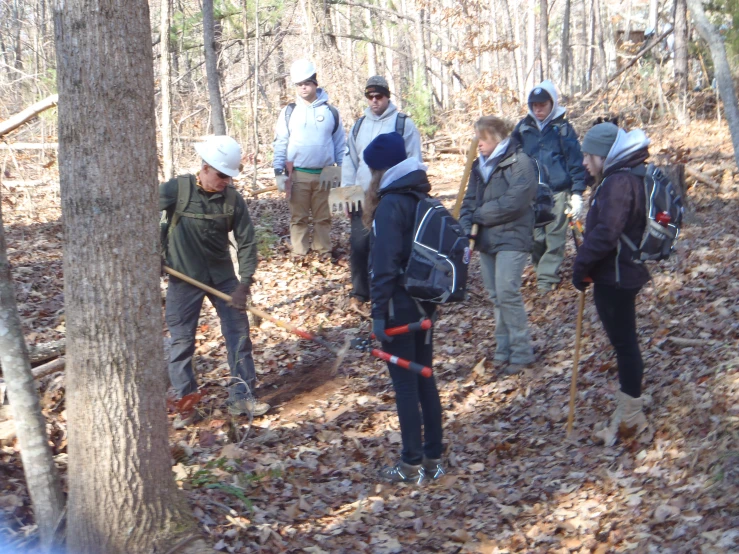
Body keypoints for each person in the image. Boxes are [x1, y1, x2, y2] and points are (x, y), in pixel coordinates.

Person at [160, 135, 270, 428]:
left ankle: (241, 397)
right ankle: (187, 405)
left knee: (239, 335)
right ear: (206, 167)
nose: (226, 182)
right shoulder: (177, 190)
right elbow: (139, 215)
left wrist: (244, 283)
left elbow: (247, 242)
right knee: (182, 343)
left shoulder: (233, 200)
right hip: (183, 278)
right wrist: (152, 254)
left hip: (222, 279)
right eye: (222, 175)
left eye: (230, 177)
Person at [363, 132, 444, 483]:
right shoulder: (420, 197)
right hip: (424, 306)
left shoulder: (390, 205)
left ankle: (410, 464)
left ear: (381, 171)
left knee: (407, 385)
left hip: (399, 309)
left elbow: (383, 265)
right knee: (425, 378)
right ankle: (433, 460)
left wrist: (378, 313)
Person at [572, 123, 651, 446]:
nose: (585, 163)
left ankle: (630, 416)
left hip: (616, 277)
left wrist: (581, 266)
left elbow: (606, 234)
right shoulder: (623, 175)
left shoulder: (618, 182)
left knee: (625, 345)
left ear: (604, 156)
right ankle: (631, 403)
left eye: (589, 156)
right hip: (620, 273)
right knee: (626, 343)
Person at [459, 116, 538, 374]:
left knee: (507, 292)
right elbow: (469, 201)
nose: (478, 143)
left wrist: (480, 214)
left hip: (513, 237)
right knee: (495, 296)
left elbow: (515, 202)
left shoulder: (521, 162)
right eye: (477, 138)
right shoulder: (477, 167)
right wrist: (465, 224)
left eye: (483, 138)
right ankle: (503, 350)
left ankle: (522, 351)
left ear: (497, 138)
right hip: (487, 239)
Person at [342, 76, 423, 316]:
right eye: (370, 97)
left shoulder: (403, 124)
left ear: (388, 96)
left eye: (379, 96)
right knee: (359, 245)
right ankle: (359, 291)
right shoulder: (358, 126)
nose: (375, 101)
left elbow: (414, 160)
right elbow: (350, 161)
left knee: (389, 246)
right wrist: (347, 193)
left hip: (393, 196)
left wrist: (411, 193)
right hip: (362, 196)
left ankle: (392, 288)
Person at [513, 80, 588, 294]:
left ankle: (546, 281)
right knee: (537, 238)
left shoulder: (563, 129)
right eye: (534, 105)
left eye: (542, 105)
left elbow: (576, 163)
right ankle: (540, 270)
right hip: (532, 193)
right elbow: (512, 158)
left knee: (555, 237)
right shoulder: (523, 128)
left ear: (552, 104)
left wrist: (576, 195)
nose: (538, 109)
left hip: (558, 191)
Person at [273, 59, 346, 258]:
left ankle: (323, 250)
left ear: (315, 83)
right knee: (298, 217)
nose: (303, 87)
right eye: (299, 84)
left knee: (323, 217)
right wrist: (279, 171)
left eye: (307, 82)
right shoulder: (289, 112)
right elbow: (280, 142)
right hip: (297, 174)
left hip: (325, 172)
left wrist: (342, 170)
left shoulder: (331, 112)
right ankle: (300, 252)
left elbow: (340, 144)